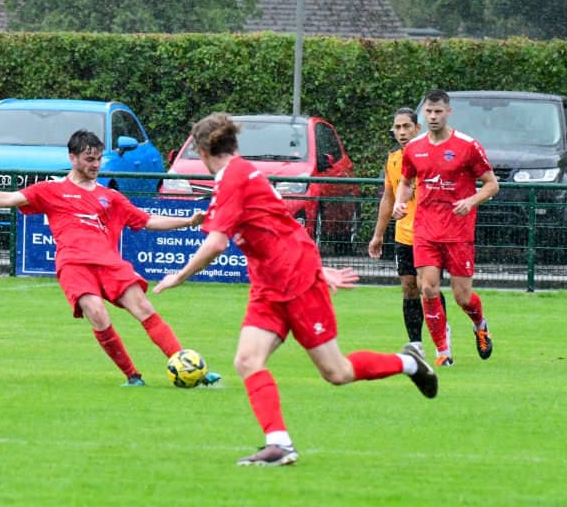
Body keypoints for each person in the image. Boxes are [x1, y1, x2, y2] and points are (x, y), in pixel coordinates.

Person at [154, 113, 437, 467]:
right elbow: (284, 226)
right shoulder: (243, 175)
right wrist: (318, 267)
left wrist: (179, 276)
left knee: (337, 372)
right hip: (270, 285)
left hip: (296, 282)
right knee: (247, 360)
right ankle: (279, 444)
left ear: (201, 151)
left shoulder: (234, 179)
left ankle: (409, 362)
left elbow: (216, 243)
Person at [0, 129, 220, 387]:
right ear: (73, 158)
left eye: (98, 159)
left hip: (109, 263)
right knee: (97, 313)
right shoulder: (50, 190)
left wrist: (188, 221)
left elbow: (149, 220)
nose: (96, 165)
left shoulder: (110, 197)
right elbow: (11, 197)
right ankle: (132, 375)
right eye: (89, 159)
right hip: (73, 264)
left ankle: (190, 367)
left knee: (143, 307)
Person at [393, 89, 499, 366]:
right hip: (425, 230)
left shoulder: (467, 146)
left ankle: (480, 324)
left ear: (448, 112)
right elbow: (406, 182)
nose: (433, 116)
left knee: (462, 297)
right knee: (428, 289)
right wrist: (400, 203)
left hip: (458, 231)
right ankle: (443, 352)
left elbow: (491, 184)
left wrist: (471, 201)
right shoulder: (414, 148)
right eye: (428, 111)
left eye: (438, 111)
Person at [368, 108, 450, 362]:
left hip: (430, 235)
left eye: (406, 127)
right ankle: (416, 344)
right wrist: (378, 235)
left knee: (428, 288)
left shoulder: (432, 156)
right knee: (408, 287)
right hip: (404, 236)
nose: (401, 132)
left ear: (417, 128)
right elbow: (388, 197)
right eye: (397, 127)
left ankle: (442, 341)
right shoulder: (393, 160)